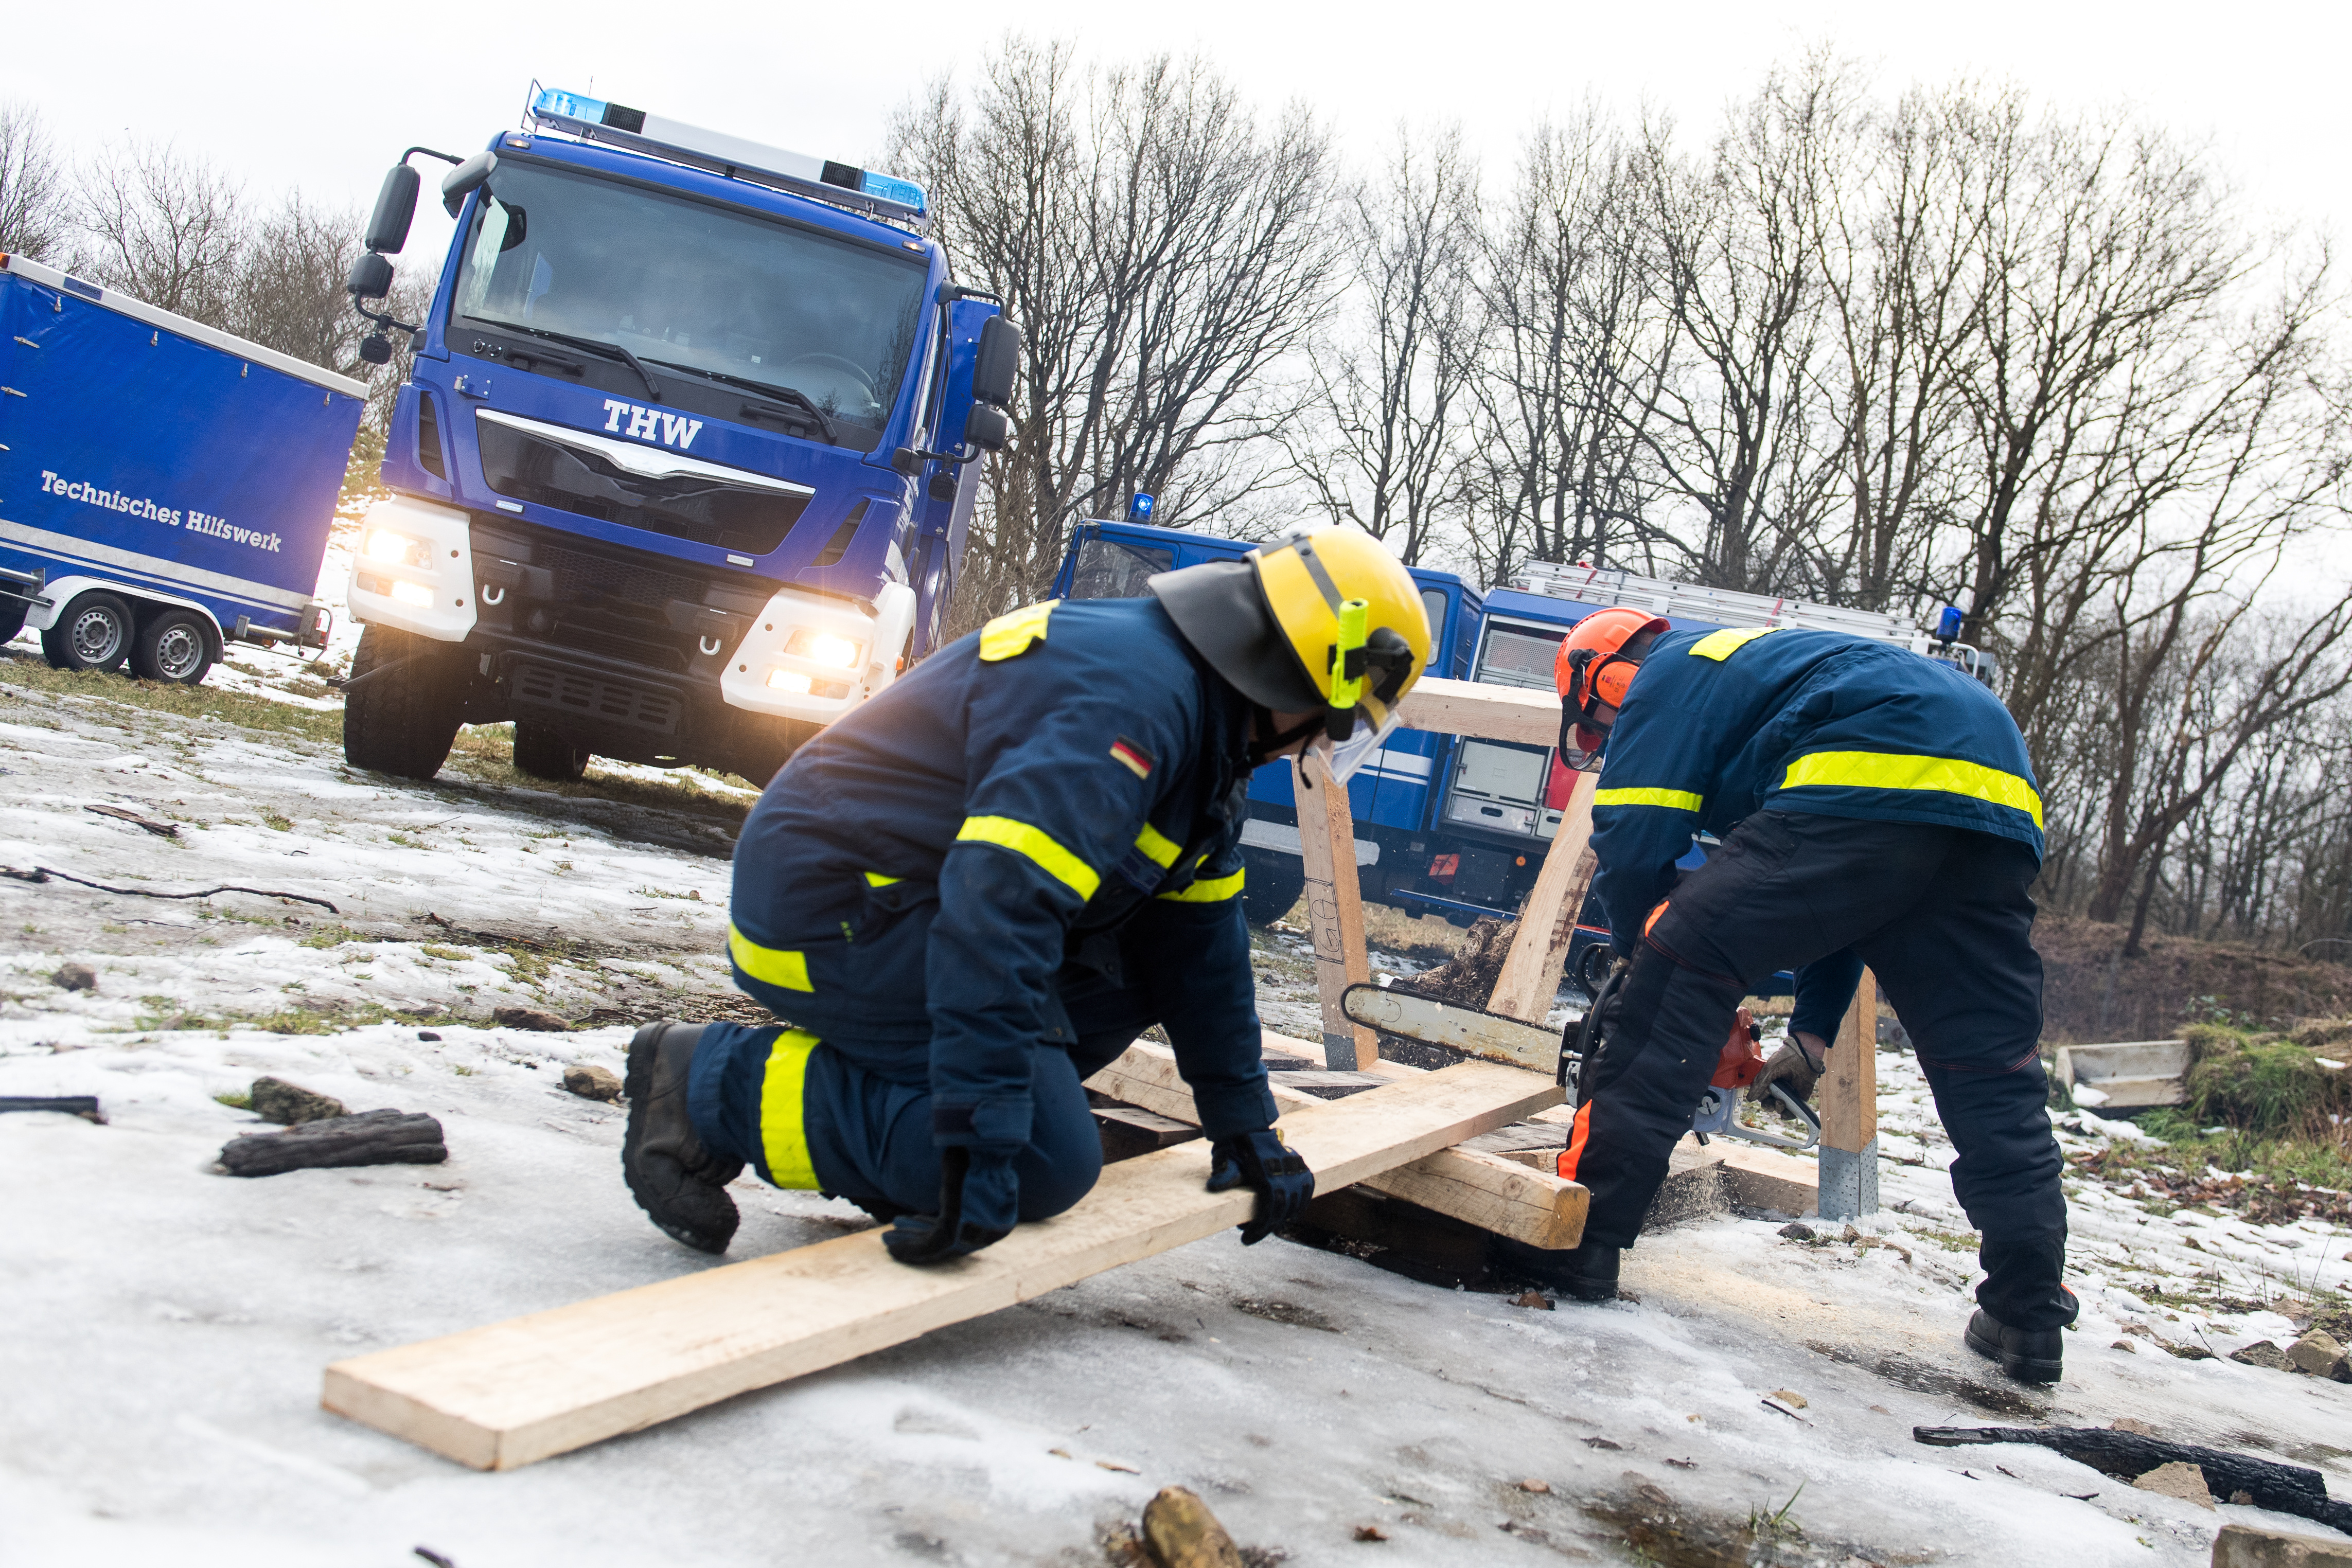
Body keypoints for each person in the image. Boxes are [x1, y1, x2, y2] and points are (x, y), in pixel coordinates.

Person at [619, 528, 1432, 1267]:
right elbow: (1001, 913)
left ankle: (911, 1123)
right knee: (1045, 1161)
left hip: (928, 907)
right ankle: (705, 1087)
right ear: (1307, 672)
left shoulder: (1207, 727)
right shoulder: (1129, 702)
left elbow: (1201, 951)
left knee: (1142, 974)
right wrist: (983, 1134)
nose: (1325, 741)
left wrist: (1244, 1122)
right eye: (1337, 720)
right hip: (834, 912)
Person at [1519, 608, 2077, 1383]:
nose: (1607, 738)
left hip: (1871, 776)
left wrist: (1641, 961)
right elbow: (1851, 899)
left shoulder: (1674, 672)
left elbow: (1636, 839)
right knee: (1991, 1073)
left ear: (1604, 681)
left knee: (1672, 967)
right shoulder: (1780, 677)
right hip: (1998, 808)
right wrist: (1810, 1038)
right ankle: (2028, 1317)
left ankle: (1583, 1240)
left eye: (1599, 724)